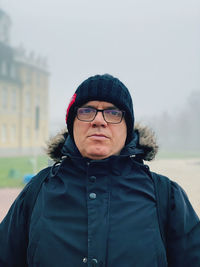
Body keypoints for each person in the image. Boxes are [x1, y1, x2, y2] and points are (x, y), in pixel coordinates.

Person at [0, 74, 200, 267]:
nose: (99, 121)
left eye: (113, 112)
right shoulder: (37, 192)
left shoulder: (166, 196)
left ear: (127, 128)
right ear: (72, 124)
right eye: (87, 111)